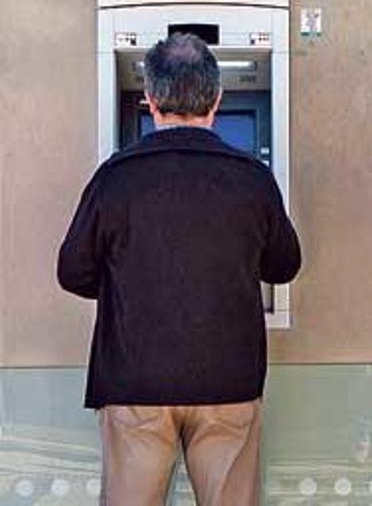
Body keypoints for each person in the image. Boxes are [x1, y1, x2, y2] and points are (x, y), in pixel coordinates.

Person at [57, 33, 301, 505]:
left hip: (135, 380)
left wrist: (129, 281)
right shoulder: (251, 178)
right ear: (216, 99)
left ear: (149, 100)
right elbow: (284, 265)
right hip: (228, 380)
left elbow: (73, 271)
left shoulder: (116, 177)